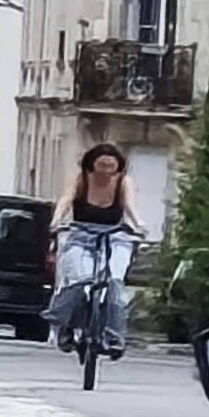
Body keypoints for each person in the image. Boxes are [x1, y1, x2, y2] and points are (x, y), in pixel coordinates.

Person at [46, 143, 146, 360]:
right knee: (78, 281)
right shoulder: (81, 179)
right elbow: (66, 199)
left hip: (115, 236)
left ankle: (114, 337)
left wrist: (138, 225)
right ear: (91, 166)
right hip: (80, 235)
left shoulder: (123, 183)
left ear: (119, 168)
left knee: (115, 284)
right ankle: (66, 326)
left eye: (111, 167)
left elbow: (129, 206)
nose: (106, 173)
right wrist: (57, 220)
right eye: (101, 167)